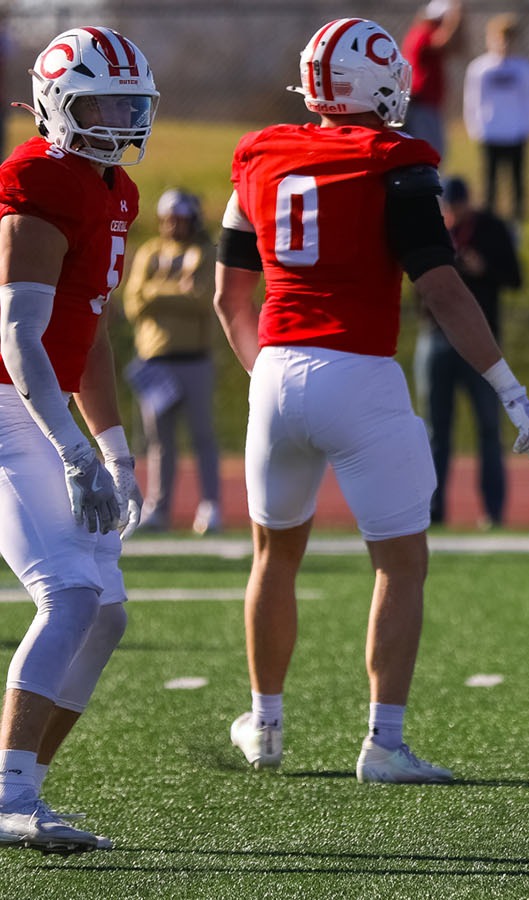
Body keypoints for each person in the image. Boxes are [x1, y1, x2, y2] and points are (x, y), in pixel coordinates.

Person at [213, 18, 529, 784]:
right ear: (378, 85)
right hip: (359, 373)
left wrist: (271, 373)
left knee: (274, 556)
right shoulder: (398, 162)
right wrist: (507, 384)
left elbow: (231, 297)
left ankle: (264, 724)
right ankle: (384, 744)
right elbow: (441, 288)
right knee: (399, 561)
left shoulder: (258, 155)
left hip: (275, 371)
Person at [0, 26, 157, 853]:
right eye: (102, 102)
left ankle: (24, 787)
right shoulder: (38, 179)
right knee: (68, 594)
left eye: (131, 103)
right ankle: (6, 794)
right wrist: (69, 451)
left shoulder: (114, 191)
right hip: (5, 401)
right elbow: (21, 337)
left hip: (42, 404)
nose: (121, 117)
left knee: (107, 615)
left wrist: (116, 449)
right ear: (58, 103)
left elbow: (88, 332)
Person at [416, 176, 522, 529]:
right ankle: (434, 509)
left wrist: (483, 269)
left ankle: (493, 511)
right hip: (437, 337)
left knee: (489, 427)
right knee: (435, 429)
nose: (453, 214)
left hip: (481, 342)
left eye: (457, 207)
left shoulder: (490, 229)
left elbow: (515, 277)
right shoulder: (431, 229)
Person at [122, 188, 223, 535]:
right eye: (168, 219)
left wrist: (156, 292)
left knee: (202, 437)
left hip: (194, 359)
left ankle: (211, 506)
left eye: (179, 219)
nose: (173, 226)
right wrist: (174, 290)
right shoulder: (150, 251)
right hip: (154, 361)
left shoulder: (205, 253)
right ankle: (158, 508)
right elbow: (134, 301)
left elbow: (201, 298)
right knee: (158, 441)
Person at [463, 13, 529, 223]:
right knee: (490, 184)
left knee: (517, 183)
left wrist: (527, 127)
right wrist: (476, 127)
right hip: (491, 132)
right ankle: (488, 224)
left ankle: (517, 225)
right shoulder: (479, 68)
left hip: (516, 132)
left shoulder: (525, 69)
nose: (504, 43)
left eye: (509, 38)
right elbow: (472, 100)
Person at [401, 0, 463, 159]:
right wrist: (455, 16)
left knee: (434, 149)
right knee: (431, 151)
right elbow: (443, 42)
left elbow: (459, 48)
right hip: (421, 102)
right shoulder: (423, 32)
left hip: (429, 102)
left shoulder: (426, 31)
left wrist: (460, 21)